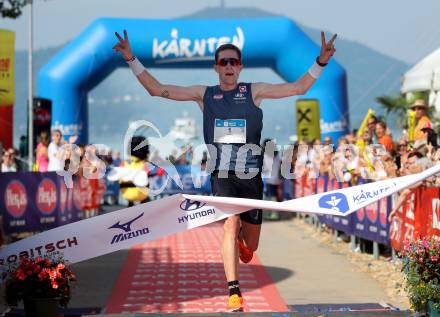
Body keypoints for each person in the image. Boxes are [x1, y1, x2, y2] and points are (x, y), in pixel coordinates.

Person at [113, 29, 337, 312]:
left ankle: (245, 243)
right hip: (221, 174)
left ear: (240, 67)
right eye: (224, 62)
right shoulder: (204, 95)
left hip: (251, 176)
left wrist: (321, 61)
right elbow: (157, 89)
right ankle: (234, 291)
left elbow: (298, 88)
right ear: (216, 67)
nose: (229, 66)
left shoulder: (255, 91)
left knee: (251, 246)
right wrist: (131, 58)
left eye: (234, 62)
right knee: (229, 225)